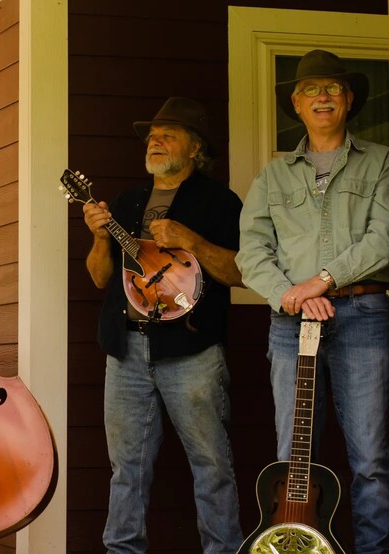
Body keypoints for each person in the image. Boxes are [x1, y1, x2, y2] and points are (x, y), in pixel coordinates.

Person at [237, 49, 389, 551]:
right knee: (293, 461)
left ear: (348, 100)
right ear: (296, 106)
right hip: (290, 324)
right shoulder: (273, 176)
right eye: (310, 89)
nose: (322, 96)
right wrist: (290, 295)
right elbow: (252, 252)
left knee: (369, 459)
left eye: (332, 88)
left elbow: (385, 236)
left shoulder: (383, 161)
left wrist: (320, 280)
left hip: (363, 315)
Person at [82, 97, 244, 553]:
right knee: (126, 467)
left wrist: (190, 239)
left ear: (195, 149)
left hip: (192, 354)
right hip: (127, 351)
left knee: (211, 463)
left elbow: (238, 272)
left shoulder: (219, 202)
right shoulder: (126, 203)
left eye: (167, 134)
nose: (155, 141)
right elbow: (99, 277)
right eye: (152, 135)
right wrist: (99, 237)